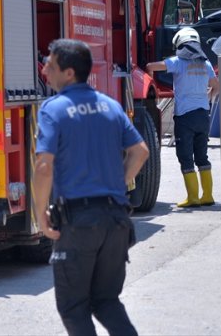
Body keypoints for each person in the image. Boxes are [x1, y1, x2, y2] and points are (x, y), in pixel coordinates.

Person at [32, 38, 150, 336]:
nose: (44, 68)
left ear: (69, 72)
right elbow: (140, 152)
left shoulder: (53, 109)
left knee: (74, 307)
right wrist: (115, 185)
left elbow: (44, 167)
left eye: (50, 63)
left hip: (79, 223)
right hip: (115, 221)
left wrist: (40, 214)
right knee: (106, 301)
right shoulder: (110, 106)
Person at [146, 27, 219, 208]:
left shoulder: (177, 62)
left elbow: (150, 66)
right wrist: (207, 97)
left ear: (179, 44)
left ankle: (193, 197)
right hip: (203, 115)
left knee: (185, 156)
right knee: (202, 155)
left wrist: (150, 87)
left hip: (185, 117)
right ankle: (208, 195)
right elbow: (216, 86)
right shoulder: (206, 63)